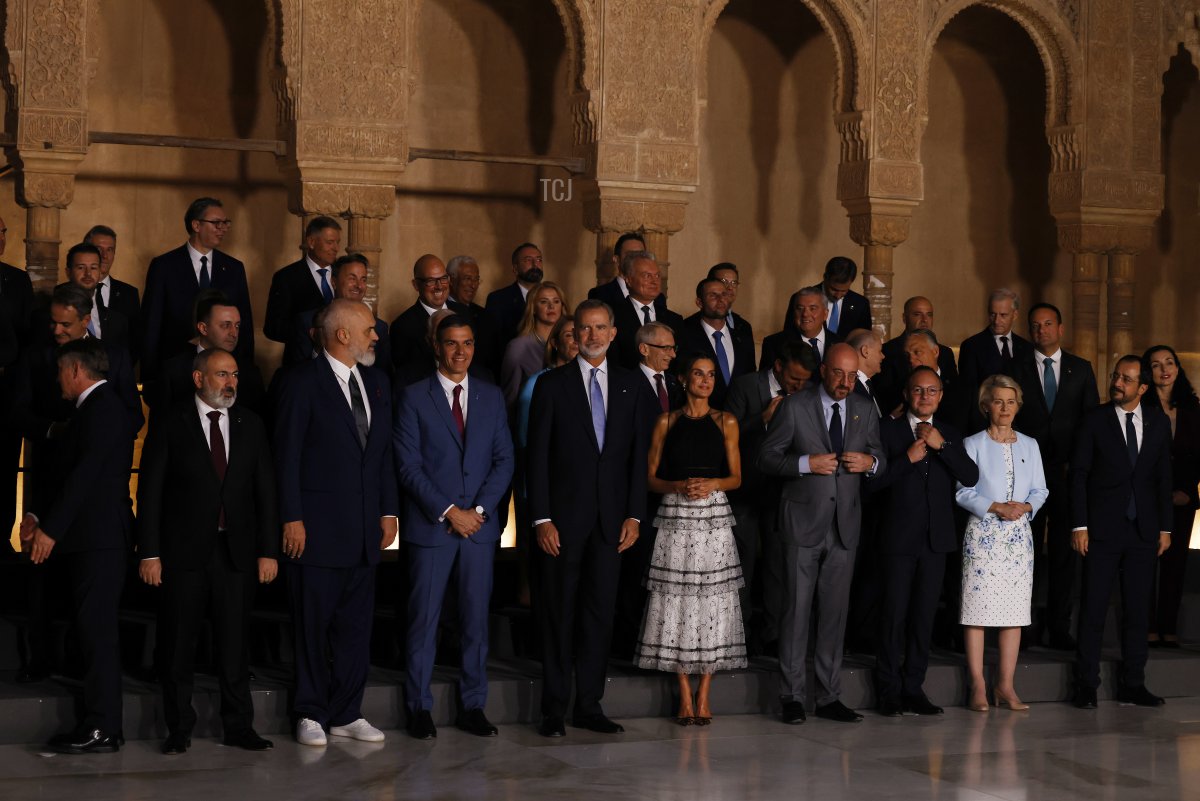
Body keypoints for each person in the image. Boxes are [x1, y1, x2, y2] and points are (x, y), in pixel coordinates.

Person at [136, 348, 279, 755]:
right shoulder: (170, 422)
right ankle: (178, 728)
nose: (231, 382)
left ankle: (239, 727)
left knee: (235, 646)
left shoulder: (250, 423)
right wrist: (149, 552)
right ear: (199, 379)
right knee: (178, 644)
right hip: (182, 554)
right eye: (221, 374)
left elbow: (266, 492)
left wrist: (268, 550)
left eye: (234, 374)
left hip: (236, 554)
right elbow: (150, 492)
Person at [274, 299, 399, 746]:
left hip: (365, 532)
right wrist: (291, 517)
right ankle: (310, 711)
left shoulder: (378, 382)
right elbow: (285, 457)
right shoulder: (300, 382)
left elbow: (382, 454)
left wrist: (388, 511)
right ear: (341, 334)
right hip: (315, 531)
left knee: (355, 628)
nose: (376, 336)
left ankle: (347, 711)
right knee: (311, 626)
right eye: (368, 328)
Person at [527, 299, 654, 737]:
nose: (593, 336)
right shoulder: (551, 385)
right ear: (574, 334)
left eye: (601, 328)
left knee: (600, 615)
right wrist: (541, 518)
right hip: (562, 524)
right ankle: (553, 708)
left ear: (614, 333)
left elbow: (638, 460)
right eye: (585, 328)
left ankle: (589, 705)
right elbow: (536, 458)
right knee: (559, 614)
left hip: (611, 525)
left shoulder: (630, 386)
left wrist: (635, 515)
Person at [394, 314, 515, 740]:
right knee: (423, 621)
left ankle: (473, 705)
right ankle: (418, 707)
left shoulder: (491, 396)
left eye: (466, 343)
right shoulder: (412, 397)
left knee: (475, 622)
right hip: (432, 529)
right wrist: (450, 511)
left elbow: (504, 460)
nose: (459, 351)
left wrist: (478, 510)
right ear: (437, 347)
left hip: (479, 529)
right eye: (451, 343)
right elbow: (407, 467)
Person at [758, 342, 883, 725]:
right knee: (795, 613)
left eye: (851, 375)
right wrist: (805, 463)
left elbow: (882, 457)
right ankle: (791, 696)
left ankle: (829, 696)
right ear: (824, 371)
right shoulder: (795, 406)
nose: (846, 382)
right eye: (839, 374)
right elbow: (765, 457)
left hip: (845, 527)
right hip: (801, 524)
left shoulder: (864, 409)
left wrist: (871, 462)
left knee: (834, 615)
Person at [20, 339, 134, 754]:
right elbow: (67, 476)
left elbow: (85, 478)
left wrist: (51, 531)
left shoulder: (102, 410)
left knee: (98, 634)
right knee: (91, 631)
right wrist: (37, 515)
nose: (57, 380)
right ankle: (103, 724)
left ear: (74, 370)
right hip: (91, 539)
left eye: (60, 372)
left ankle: (103, 726)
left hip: (100, 541)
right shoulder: (90, 410)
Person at [637, 354, 746, 725]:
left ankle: (705, 696)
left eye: (711, 375)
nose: (705, 381)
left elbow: (736, 477)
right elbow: (649, 478)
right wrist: (678, 486)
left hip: (714, 518)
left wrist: (713, 483)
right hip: (676, 514)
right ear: (684, 379)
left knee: (713, 601)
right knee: (677, 602)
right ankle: (684, 695)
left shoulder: (726, 420)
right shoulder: (666, 421)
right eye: (698, 374)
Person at [872, 367, 978, 717]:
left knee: (922, 618)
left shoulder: (950, 433)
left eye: (931, 391)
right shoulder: (885, 430)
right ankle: (887, 689)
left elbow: (970, 474)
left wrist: (942, 446)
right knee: (893, 615)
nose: (924, 397)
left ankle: (914, 687)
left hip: (936, 540)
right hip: (897, 538)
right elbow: (872, 483)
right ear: (906, 393)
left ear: (941, 395)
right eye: (918, 390)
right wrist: (907, 460)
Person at [1071, 356, 1173, 709]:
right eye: (1116, 376)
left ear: (1142, 387)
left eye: (1126, 379)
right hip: (1101, 530)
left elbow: (1163, 478)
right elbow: (1079, 474)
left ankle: (1134, 683)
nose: (1117, 383)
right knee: (1094, 608)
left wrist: (1165, 527)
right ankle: (1085, 685)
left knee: (1137, 610)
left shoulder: (1158, 422)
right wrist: (1080, 525)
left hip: (1143, 531)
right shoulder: (1095, 420)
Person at [956, 375, 1048, 712]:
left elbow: (1040, 489)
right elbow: (963, 491)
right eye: (998, 401)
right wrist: (995, 507)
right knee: (976, 613)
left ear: (1018, 406)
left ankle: (1005, 686)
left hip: (1019, 537)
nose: (1005, 408)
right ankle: (978, 685)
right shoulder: (972, 444)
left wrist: (1025, 507)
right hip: (983, 535)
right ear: (986, 406)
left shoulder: (1030, 445)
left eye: (1011, 402)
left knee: (1014, 613)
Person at [1013, 303, 1098, 650]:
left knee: (1065, 553)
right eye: (1035, 325)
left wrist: (1081, 467)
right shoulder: (1015, 367)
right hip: (1027, 477)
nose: (1041, 330)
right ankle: (1025, 624)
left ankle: (1060, 626)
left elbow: (1091, 423)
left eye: (1048, 324)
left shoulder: (1081, 369)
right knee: (1026, 552)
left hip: (1066, 475)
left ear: (1061, 328)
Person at [725, 340, 816, 653]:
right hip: (745, 490)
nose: (799, 385)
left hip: (784, 492)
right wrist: (763, 418)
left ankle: (774, 634)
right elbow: (726, 432)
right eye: (794, 379)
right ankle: (741, 633)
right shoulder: (745, 386)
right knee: (742, 565)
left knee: (779, 565)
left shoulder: (807, 392)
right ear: (778, 366)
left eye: (805, 380)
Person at [142, 197, 254, 377]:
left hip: (222, 373)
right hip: (175, 369)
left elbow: (245, 326)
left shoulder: (234, 268)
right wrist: (149, 377)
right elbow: (151, 326)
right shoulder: (164, 266)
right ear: (196, 225)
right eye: (216, 223)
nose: (223, 228)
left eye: (225, 223)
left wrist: (247, 371)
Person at [1142, 345, 1200, 649]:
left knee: (1176, 564)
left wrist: (1188, 491)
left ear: (1178, 367)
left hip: (1183, 498)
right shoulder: (1140, 407)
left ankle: (1168, 626)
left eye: (1169, 362)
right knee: (1147, 561)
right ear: (1147, 373)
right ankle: (1148, 626)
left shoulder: (1193, 407)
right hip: (1148, 497)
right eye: (1155, 365)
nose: (1164, 369)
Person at [144, 291, 266, 417]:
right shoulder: (173, 371)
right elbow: (160, 428)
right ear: (203, 328)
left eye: (237, 326)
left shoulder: (251, 373)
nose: (234, 333)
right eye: (226, 325)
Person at [289, 254, 393, 379]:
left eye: (363, 279)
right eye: (352, 278)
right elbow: (294, 372)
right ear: (333, 282)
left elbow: (383, 376)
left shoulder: (379, 328)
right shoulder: (307, 321)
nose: (359, 286)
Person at [263, 216, 342, 365]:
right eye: (330, 242)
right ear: (311, 242)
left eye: (338, 242)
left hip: (340, 363)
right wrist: (309, 333)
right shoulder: (287, 277)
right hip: (301, 364)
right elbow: (273, 328)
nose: (336, 248)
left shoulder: (343, 273)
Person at [958, 289, 1033, 433]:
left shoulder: (1027, 348)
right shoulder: (972, 346)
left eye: (1003, 315)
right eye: (993, 314)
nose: (997, 320)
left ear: (1015, 315)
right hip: (985, 427)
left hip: (1023, 429)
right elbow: (970, 395)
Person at [677, 277, 756, 409]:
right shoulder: (685, 335)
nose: (721, 299)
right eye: (713, 295)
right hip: (699, 417)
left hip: (739, 419)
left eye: (724, 294)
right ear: (699, 302)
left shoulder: (743, 337)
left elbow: (750, 377)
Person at [390, 254, 461, 378]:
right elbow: (405, 377)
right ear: (416, 285)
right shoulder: (402, 326)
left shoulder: (465, 314)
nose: (439, 286)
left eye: (443, 278)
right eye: (431, 281)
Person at [500, 281, 568, 408]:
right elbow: (510, 398)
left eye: (556, 301)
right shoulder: (518, 347)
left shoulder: (571, 343)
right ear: (533, 308)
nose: (551, 306)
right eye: (543, 302)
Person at [610, 251, 683, 368]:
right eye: (647, 276)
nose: (654, 281)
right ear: (628, 279)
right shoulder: (613, 317)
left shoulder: (674, 320)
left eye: (657, 275)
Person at [83, 224, 141, 358]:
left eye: (110, 250)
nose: (104, 255)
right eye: (99, 249)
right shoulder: (64, 291)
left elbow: (135, 341)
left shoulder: (129, 294)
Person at [60, 242, 132, 349]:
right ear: (68, 272)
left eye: (93, 268)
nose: (88, 273)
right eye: (81, 267)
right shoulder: (50, 317)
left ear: (99, 272)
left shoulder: (118, 321)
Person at [447, 255, 501, 377]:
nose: (473, 285)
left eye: (476, 279)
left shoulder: (487, 317)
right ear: (451, 280)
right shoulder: (440, 313)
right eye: (467, 279)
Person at [760, 285, 837, 370]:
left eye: (812, 309)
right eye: (800, 308)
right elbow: (764, 381)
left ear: (825, 314)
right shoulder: (774, 344)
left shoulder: (839, 343)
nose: (805, 314)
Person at [486, 242, 545, 344]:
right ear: (515, 268)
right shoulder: (498, 300)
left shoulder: (553, 298)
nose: (535, 265)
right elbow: (491, 343)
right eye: (528, 260)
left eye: (539, 260)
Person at [589, 232, 656, 310]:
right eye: (630, 255)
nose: (636, 260)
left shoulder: (656, 296)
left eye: (640, 254)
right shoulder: (600, 295)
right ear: (616, 260)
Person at [819, 256, 871, 336]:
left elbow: (864, 338)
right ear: (825, 278)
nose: (838, 296)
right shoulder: (803, 298)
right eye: (834, 289)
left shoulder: (861, 304)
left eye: (844, 291)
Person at [708, 262, 753, 338]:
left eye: (734, 283)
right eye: (724, 282)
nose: (730, 287)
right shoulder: (691, 325)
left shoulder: (745, 327)